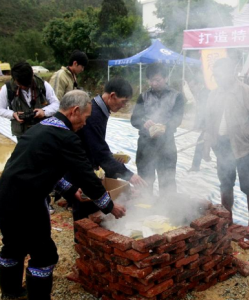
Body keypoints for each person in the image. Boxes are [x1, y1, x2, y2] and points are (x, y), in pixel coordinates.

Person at [0, 90, 125, 300]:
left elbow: (41, 167)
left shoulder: (39, 128)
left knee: (13, 246)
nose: (85, 124)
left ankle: (10, 293)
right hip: (28, 202)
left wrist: (69, 189)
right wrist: (110, 206)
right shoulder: (66, 137)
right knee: (44, 255)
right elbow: (87, 176)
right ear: (75, 111)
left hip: (5, 195)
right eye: (85, 118)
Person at [63, 78, 147, 221]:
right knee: (85, 210)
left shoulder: (99, 109)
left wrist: (112, 161)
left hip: (84, 163)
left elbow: (95, 144)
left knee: (88, 205)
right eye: (123, 101)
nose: (124, 106)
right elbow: (98, 150)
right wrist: (128, 174)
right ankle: (82, 239)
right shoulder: (94, 113)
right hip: (77, 167)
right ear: (112, 96)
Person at [204, 57, 249, 235]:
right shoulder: (213, 94)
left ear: (232, 72)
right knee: (225, 184)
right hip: (222, 146)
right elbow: (209, 122)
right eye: (216, 76)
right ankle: (227, 218)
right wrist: (207, 143)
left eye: (221, 75)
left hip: (245, 146)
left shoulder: (248, 93)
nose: (219, 79)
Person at [131, 63, 184, 196]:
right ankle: (144, 210)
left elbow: (177, 119)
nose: (154, 83)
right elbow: (134, 119)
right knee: (144, 180)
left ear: (165, 78)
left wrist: (165, 127)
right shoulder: (143, 97)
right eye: (151, 80)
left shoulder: (176, 96)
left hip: (166, 144)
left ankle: (167, 211)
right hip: (145, 144)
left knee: (167, 180)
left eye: (157, 80)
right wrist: (144, 122)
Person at [0, 62, 59, 138]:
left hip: (43, 132)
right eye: (20, 85)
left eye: (27, 84)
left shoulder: (42, 85)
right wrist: (13, 114)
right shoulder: (7, 89)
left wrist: (44, 112)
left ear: (32, 76)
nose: (24, 87)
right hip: (22, 134)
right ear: (15, 80)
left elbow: (56, 104)